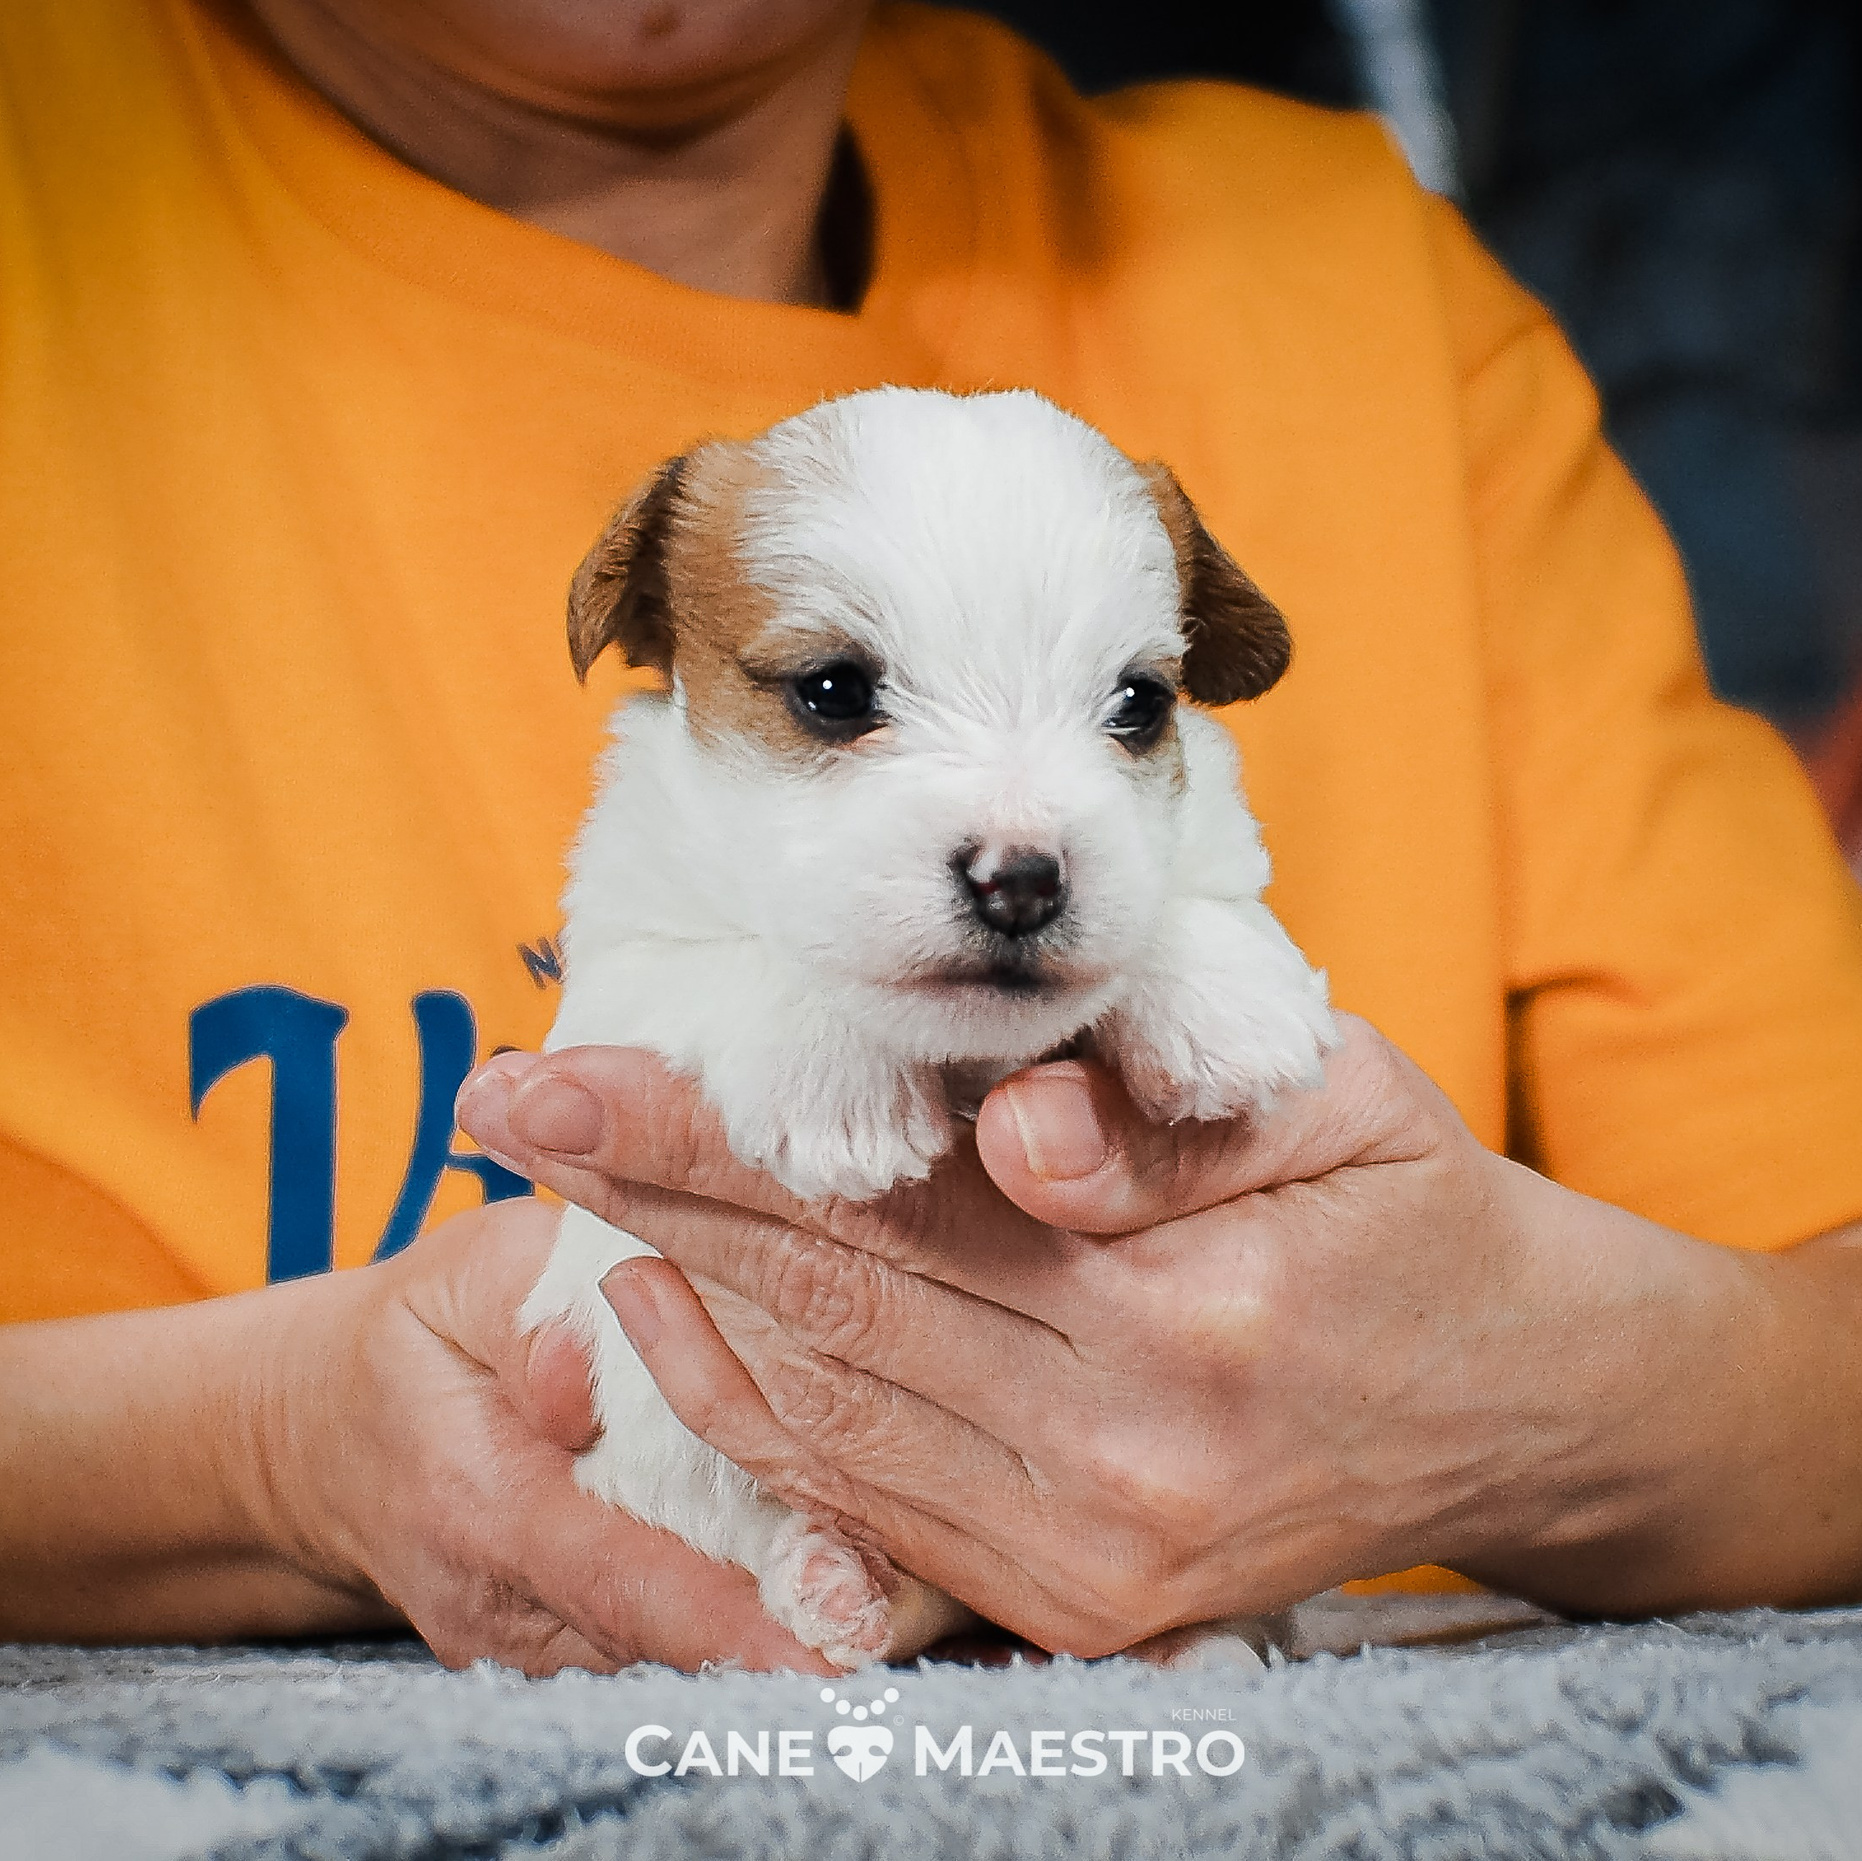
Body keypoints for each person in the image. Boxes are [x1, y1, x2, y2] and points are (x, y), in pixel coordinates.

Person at [1, 0, 1859, 1672]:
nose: (1013, 849)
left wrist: (1524, 1395)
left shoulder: (1362, 282)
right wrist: (267, 1444)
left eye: (1132, 712)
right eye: (833, 700)